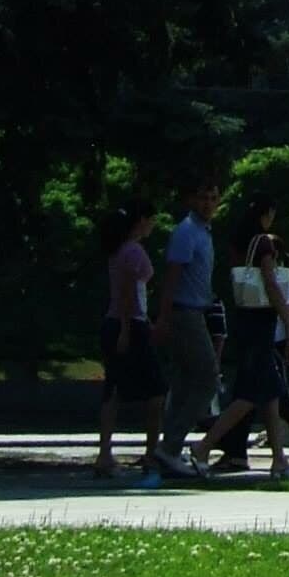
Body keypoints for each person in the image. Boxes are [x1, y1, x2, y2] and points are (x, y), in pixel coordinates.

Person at [195, 197, 289, 479]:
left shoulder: (238, 242)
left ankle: (279, 458)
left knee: (269, 394)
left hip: (245, 321)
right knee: (250, 395)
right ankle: (203, 447)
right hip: (261, 325)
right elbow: (270, 283)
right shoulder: (263, 243)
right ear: (266, 214)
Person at [94, 203, 168, 484]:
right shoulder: (133, 251)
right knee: (156, 391)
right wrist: (129, 327)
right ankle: (151, 453)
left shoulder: (118, 252)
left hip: (119, 321)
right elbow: (128, 292)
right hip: (127, 324)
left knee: (113, 389)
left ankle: (105, 452)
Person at [152, 178, 221, 475]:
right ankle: (170, 446)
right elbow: (172, 276)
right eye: (203, 197)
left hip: (197, 310)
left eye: (213, 198)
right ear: (192, 200)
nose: (208, 203)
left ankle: (168, 451)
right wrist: (164, 317)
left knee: (183, 382)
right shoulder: (186, 232)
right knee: (207, 378)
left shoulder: (204, 232)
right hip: (183, 313)